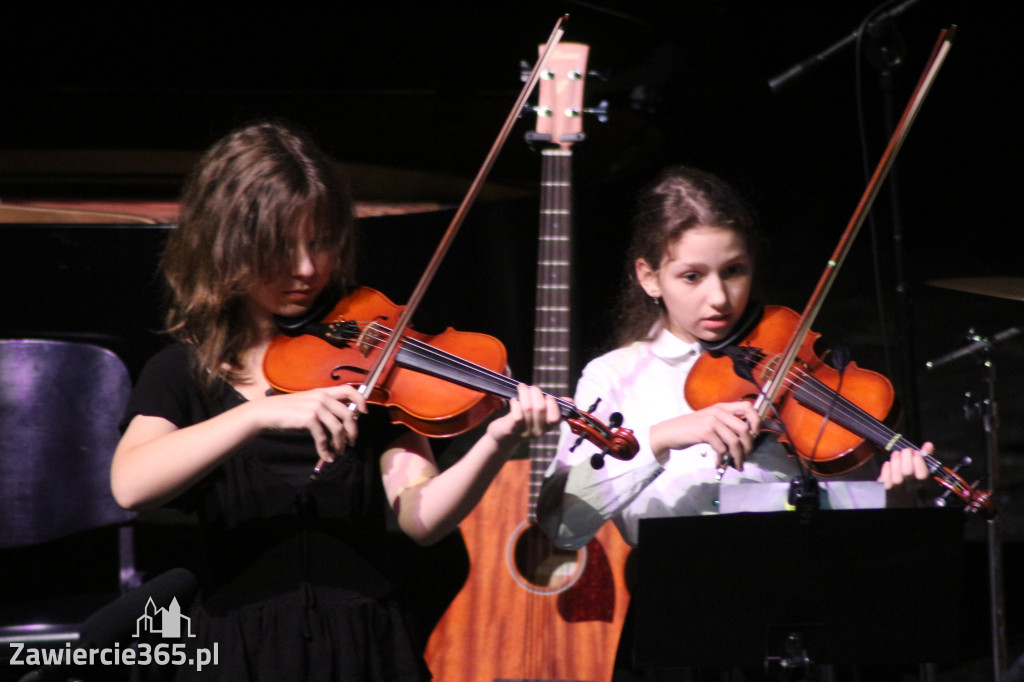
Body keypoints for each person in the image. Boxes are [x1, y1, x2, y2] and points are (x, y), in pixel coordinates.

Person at [111, 121, 560, 681]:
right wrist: (256, 413)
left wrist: (495, 442)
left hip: (366, 649)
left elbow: (422, 519)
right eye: (280, 246)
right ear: (227, 243)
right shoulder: (182, 372)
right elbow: (132, 484)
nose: (306, 268)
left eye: (320, 242)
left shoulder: (371, 370)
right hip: (236, 650)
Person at [536, 165, 930, 679]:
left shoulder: (791, 359)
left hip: (799, 630)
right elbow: (562, 525)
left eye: (734, 271)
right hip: (680, 635)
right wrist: (663, 437)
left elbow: (855, 517)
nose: (719, 298)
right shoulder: (615, 377)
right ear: (649, 277)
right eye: (692, 277)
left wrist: (897, 499)